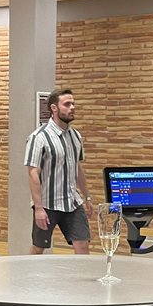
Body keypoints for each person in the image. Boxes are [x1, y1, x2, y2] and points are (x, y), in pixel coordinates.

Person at [25, 88, 94, 254]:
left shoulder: (76, 136)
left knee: (82, 245)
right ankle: (27, 278)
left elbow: (77, 167)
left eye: (73, 104)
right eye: (67, 104)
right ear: (54, 108)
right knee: (38, 247)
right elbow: (33, 173)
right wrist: (39, 208)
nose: (72, 108)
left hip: (72, 202)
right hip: (48, 204)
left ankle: (80, 280)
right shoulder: (39, 137)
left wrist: (87, 197)